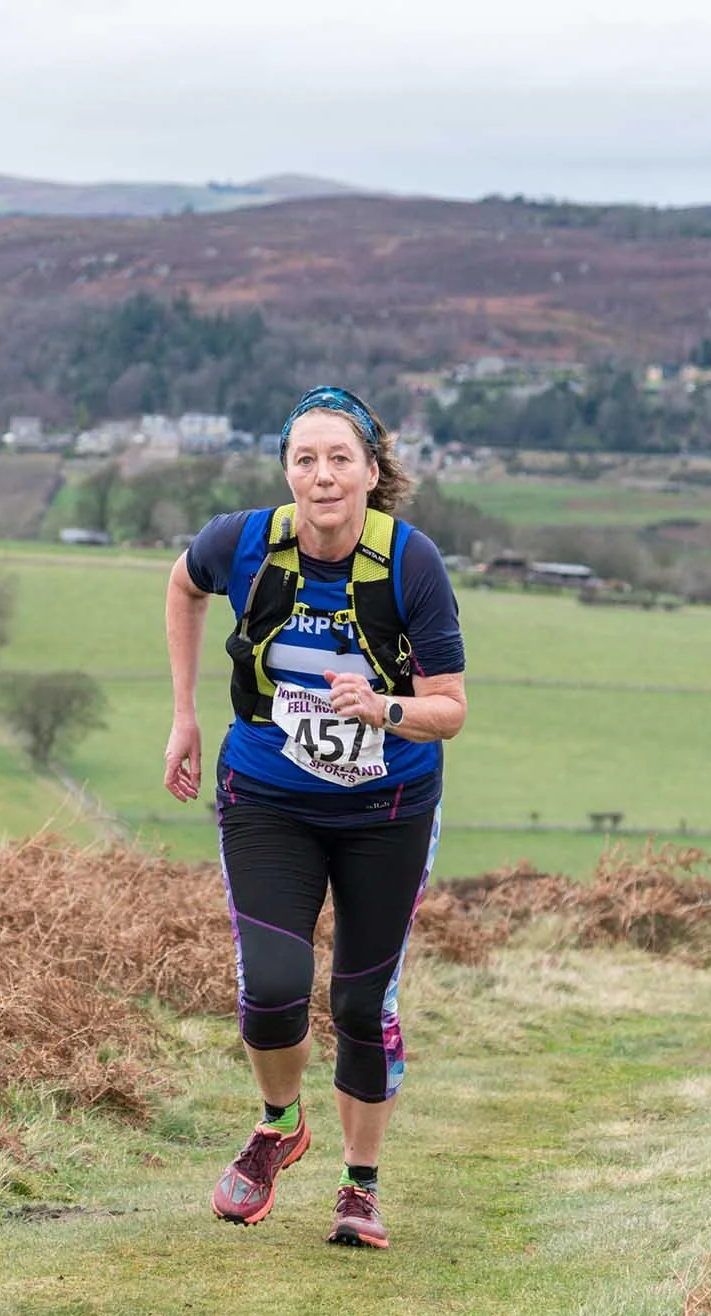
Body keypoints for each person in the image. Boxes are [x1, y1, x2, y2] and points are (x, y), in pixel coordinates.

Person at [162, 386, 467, 1250]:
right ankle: (277, 1125)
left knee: (363, 1002)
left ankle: (360, 1186)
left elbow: (450, 708)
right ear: (286, 470)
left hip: (389, 806)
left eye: (340, 458)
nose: (322, 474)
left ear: (374, 472)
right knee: (272, 980)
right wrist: (185, 714)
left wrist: (383, 709)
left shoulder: (411, 564)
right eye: (305, 458)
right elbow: (183, 585)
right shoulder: (245, 544)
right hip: (267, 796)